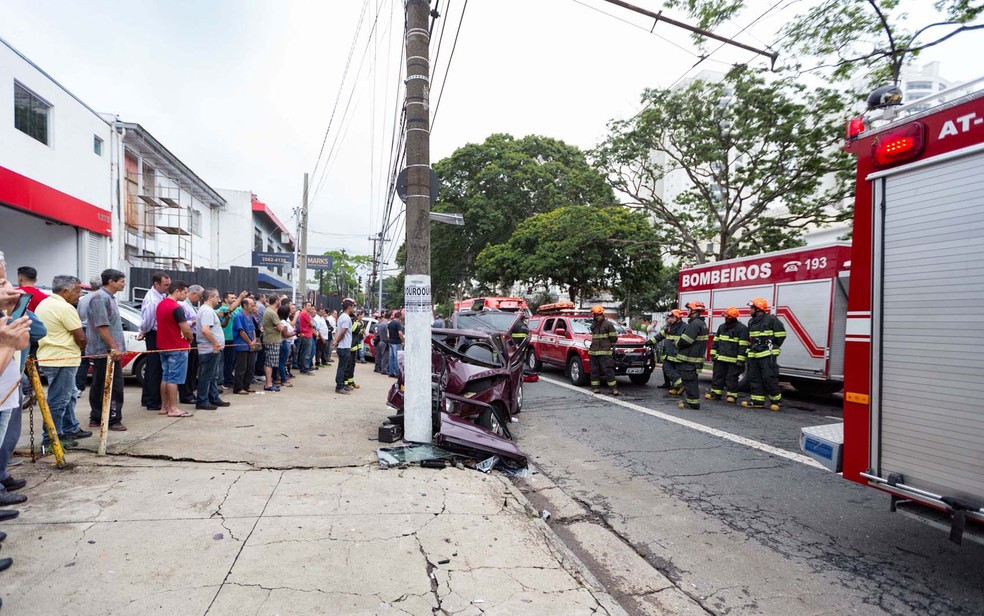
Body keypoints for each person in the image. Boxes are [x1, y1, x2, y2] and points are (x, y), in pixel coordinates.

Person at [35, 275, 91, 450]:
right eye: (76, 291)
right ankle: (51, 439)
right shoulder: (64, 308)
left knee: (67, 396)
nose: (79, 294)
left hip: (49, 355)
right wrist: (80, 348)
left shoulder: (44, 304)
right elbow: (81, 337)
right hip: (63, 358)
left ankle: (66, 430)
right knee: (59, 400)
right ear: (65, 291)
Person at [0, 261, 32, 509]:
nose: (9, 287)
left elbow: (22, 342)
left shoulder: (4, 315)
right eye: (1, 282)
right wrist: (7, 346)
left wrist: (14, 313)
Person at [87, 269, 127, 431]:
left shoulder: (108, 298)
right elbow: (102, 326)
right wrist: (114, 347)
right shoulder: (100, 298)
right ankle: (112, 419)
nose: (124, 284)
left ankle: (97, 416)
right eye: (121, 281)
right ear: (111, 281)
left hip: (107, 351)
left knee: (100, 384)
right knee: (113, 386)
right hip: (105, 351)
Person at [156, 281, 195, 417]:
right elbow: (186, 329)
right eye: (184, 292)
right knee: (174, 378)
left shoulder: (160, 304)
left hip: (163, 345)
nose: (185, 295)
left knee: (165, 376)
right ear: (177, 291)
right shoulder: (176, 307)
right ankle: (173, 408)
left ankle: (164, 406)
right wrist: (190, 339)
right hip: (177, 346)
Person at [741, 297, 786, 411]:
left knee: (769, 377)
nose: (749, 310)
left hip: (767, 354)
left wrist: (772, 346)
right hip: (754, 353)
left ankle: (776, 401)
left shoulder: (772, 320)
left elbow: (781, 335)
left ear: (758, 308)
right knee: (754, 377)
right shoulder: (751, 321)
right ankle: (757, 401)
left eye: (751, 308)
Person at [138, 270, 170, 411]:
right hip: (154, 334)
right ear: (156, 284)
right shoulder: (152, 300)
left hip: (158, 333)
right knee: (154, 367)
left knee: (154, 366)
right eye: (165, 285)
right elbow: (148, 321)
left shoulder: (161, 295)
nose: (167, 287)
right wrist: (144, 331)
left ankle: (147, 398)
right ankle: (152, 401)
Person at [706, 306, 749, 404]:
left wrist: (740, 360)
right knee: (717, 376)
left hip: (733, 360)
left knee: (732, 378)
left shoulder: (742, 329)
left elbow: (743, 345)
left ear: (731, 317)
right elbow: (715, 341)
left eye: (726, 316)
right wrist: (713, 354)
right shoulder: (722, 327)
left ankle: (731, 396)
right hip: (720, 358)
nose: (725, 318)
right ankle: (715, 394)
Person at [675, 301, 709, 410]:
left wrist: (676, 344)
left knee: (689, 380)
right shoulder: (701, 323)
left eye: (689, 309)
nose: (687, 311)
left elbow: (685, 340)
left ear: (694, 311)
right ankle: (692, 401)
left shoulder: (694, 324)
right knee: (691, 380)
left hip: (691, 359)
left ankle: (692, 403)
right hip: (694, 358)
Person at [195, 289, 226, 410]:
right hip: (209, 350)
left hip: (211, 349)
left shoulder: (208, 311)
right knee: (206, 376)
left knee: (212, 376)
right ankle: (202, 400)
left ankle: (214, 397)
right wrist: (215, 344)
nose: (218, 299)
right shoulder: (207, 311)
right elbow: (205, 330)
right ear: (210, 297)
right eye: (217, 297)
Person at [74, 275, 103, 394]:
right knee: (97, 360)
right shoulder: (99, 298)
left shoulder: (83, 299)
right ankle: (96, 387)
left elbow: (78, 315)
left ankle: (79, 387)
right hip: (95, 330)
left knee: (83, 360)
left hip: (83, 329)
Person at [178, 285, 203, 405]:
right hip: (188, 337)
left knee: (193, 368)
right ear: (193, 293)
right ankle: (186, 394)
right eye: (200, 296)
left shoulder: (190, 305)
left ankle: (190, 391)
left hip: (193, 337)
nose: (200, 299)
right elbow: (181, 322)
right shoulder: (182, 305)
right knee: (188, 368)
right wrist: (193, 322)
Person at [587, 305, 620, 396]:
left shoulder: (608, 324)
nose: (597, 316)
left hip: (605, 352)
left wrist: (609, 346)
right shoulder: (593, 324)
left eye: (598, 315)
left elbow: (614, 338)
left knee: (608, 371)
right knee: (594, 371)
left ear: (602, 314)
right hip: (594, 352)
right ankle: (595, 388)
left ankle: (613, 389)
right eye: (595, 315)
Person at [218, 291, 248, 388]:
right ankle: (226, 381)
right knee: (227, 361)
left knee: (232, 362)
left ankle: (229, 378)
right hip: (226, 338)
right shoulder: (223, 309)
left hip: (235, 339)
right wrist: (240, 297)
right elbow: (230, 309)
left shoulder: (238, 309)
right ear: (225, 300)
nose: (234, 300)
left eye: (235, 298)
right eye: (232, 298)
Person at [651, 310, 685, 391]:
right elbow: (660, 335)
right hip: (668, 354)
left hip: (678, 355)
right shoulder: (669, 326)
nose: (669, 319)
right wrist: (650, 341)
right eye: (669, 317)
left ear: (678, 318)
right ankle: (674, 385)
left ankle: (678, 386)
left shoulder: (685, 327)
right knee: (666, 369)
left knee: (676, 372)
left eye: (672, 317)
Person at [232, 298, 259, 395]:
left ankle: (246, 386)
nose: (253, 307)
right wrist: (249, 342)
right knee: (241, 367)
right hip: (242, 345)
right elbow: (241, 331)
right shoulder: (239, 316)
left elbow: (253, 330)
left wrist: (254, 341)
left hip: (250, 345)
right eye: (251, 305)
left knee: (251, 367)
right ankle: (238, 388)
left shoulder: (250, 317)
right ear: (245, 305)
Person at [260, 295, 284, 392]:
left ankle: (269, 382)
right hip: (272, 340)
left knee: (268, 362)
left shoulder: (268, 310)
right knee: (270, 363)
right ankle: (268, 384)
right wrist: (280, 325)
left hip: (270, 339)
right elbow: (281, 328)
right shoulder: (271, 312)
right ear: (277, 301)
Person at [332, 300, 354, 394]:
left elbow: (338, 330)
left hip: (343, 346)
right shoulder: (346, 318)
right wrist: (336, 341)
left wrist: (336, 341)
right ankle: (339, 386)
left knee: (343, 366)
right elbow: (343, 332)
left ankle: (342, 385)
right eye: (353, 307)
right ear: (349, 307)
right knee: (342, 367)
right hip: (344, 346)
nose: (353, 309)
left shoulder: (341, 317)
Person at [344, 310, 365, 388]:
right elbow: (353, 329)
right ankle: (345, 383)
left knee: (352, 365)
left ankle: (350, 381)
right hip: (349, 346)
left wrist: (360, 323)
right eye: (360, 315)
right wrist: (357, 322)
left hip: (355, 346)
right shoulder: (351, 321)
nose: (361, 317)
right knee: (348, 365)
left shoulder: (359, 322)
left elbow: (362, 328)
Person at [296, 301, 314, 375]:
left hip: (305, 334)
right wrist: (311, 324)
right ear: (305, 306)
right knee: (306, 353)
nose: (310, 307)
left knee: (304, 352)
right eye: (309, 306)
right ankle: (305, 369)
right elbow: (312, 324)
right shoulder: (305, 314)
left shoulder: (303, 314)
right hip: (306, 334)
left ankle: (303, 367)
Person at [386, 310, 404, 378]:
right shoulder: (398, 324)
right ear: (400, 317)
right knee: (397, 358)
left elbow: (387, 334)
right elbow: (400, 333)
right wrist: (403, 340)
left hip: (390, 342)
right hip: (396, 342)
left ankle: (390, 372)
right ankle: (397, 373)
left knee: (391, 357)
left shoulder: (390, 323)